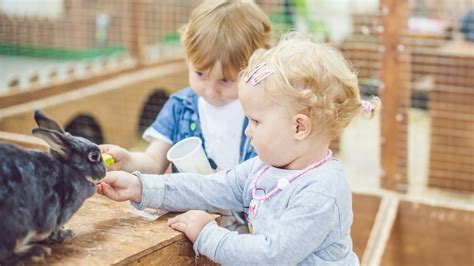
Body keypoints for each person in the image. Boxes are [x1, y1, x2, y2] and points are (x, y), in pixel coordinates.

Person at [97, 32, 380, 265]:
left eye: (256, 121)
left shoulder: (321, 191)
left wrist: (208, 235)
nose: (248, 130)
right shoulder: (263, 168)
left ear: (299, 127)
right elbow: (208, 188)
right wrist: (142, 187)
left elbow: (271, 255)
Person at [100, 0, 271, 231]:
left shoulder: (260, 111)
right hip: (188, 226)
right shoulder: (180, 106)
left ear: (254, 67)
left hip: (243, 230)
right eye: (200, 73)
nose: (211, 90)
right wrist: (128, 160)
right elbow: (154, 161)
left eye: (226, 80)